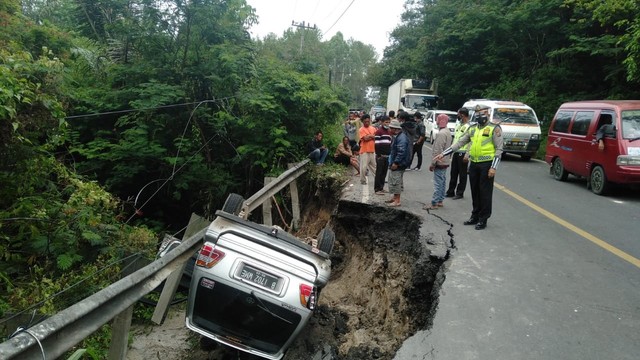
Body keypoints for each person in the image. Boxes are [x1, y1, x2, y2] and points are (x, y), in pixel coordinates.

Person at [433, 105, 503, 230]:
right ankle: (475, 215)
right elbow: (459, 143)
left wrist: (493, 167)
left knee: (485, 192)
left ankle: (483, 218)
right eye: (476, 113)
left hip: (487, 164)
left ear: (487, 113)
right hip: (474, 164)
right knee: (475, 191)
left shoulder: (494, 129)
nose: (479, 115)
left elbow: (499, 149)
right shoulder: (472, 129)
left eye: (481, 113)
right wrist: (443, 153)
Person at [426, 114, 453, 210]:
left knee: (438, 183)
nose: (436, 122)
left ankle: (434, 202)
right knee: (442, 181)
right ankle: (440, 200)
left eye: (437, 120)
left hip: (440, 162)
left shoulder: (441, 133)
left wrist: (433, 164)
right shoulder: (447, 132)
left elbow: (437, 150)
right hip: (445, 161)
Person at [446, 107, 471, 199]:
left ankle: (460, 193)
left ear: (463, 115)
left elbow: (470, 142)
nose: (458, 116)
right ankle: (450, 191)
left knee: (462, 174)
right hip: (456, 152)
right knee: (453, 173)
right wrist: (451, 152)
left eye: (458, 115)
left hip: (463, 153)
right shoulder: (459, 125)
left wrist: (467, 155)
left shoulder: (469, 127)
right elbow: (455, 139)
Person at [386, 119, 412, 207]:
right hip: (398, 162)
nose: (389, 130)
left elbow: (401, 152)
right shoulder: (398, 136)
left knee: (396, 181)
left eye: (391, 128)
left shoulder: (401, 138)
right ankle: (394, 197)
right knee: (394, 179)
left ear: (395, 129)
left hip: (399, 164)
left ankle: (397, 200)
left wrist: (396, 162)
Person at [374, 116, 392, 194]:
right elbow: (377, 144)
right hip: (380, 156)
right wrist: (378, 155)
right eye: (386, 122)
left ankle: (381, 187)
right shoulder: (379, 132)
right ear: (381, 122)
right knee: (379, 173)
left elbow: (389, 143)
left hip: (387, 156)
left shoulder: (389, 132)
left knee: (384, 173)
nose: (387, 124)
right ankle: (377, 189)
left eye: (388, 122)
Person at [358, 114, 377, 185]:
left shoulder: (373, 128)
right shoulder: (361, 129)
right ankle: (362, 180)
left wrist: (369, 136)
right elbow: (365, 139)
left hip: (372, 150)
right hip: (364, 150)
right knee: (363, 167)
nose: (367, 123)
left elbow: (376, 137)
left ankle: (377, 179)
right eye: (365, 122)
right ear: (362, 121)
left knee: (374, 167)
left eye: (368, 121)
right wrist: (372, 136)